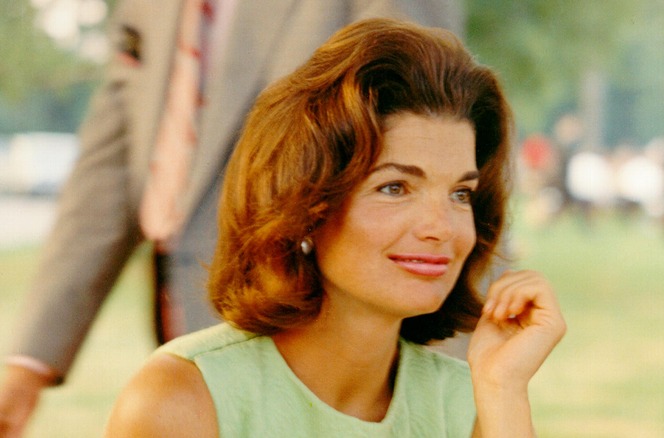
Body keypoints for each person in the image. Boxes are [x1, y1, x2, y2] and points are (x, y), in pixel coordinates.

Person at [0, 1, 463, 436]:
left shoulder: (453, 397)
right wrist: (29, 361)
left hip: (340, 331)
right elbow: (112, 161)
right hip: (189, 313)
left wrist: (468, 394)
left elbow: (437, 115)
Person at [104, 18, 566, 437]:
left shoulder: (470, 403)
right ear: (306, 204)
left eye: (460, 194)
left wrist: (503, 391)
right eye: (394, 188)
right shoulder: (181, 400)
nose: (440, 228)